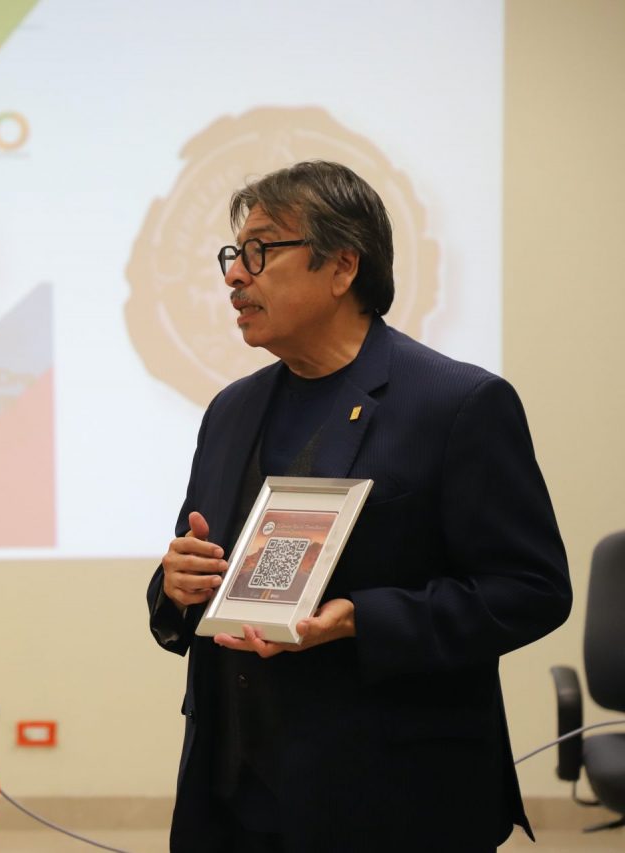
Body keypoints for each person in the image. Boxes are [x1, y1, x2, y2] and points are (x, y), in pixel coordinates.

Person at [146, 160, 571, 852]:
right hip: (234, 792)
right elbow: (202, 571)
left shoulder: (457, 404)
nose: (235, 276)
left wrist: (360, 619)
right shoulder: (231, 410)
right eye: (234, 254)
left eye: (260, 251)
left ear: (342, 266)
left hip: (392, 796)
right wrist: (177, 582)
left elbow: (531, 590)